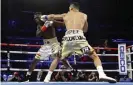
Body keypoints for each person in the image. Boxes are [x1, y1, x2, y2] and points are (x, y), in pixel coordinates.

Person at [40, 2, 116, 83]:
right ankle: (101, 74)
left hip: (68, 39)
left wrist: (43, 17)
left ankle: (47, 78)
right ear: (78, 9)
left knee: (58, 57)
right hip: (79, 38)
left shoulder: (66, 14)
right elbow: (85, 30)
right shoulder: (84, 15)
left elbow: (52, 16)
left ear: (71, 8)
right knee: (94, 56)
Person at [24, 12, 72, 82]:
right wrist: (44, 27)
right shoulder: (39, 25)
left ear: (41, 17)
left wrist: (67, 21)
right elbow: (38, 35)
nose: (35, 19)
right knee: (35, 61)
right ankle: (27, 77)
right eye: (34, 18)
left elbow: (62, 24)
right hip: (45, 45)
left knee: (60, 57)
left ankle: (70, 69)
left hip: (54, 44)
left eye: (37, 18)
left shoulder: (50, 21)